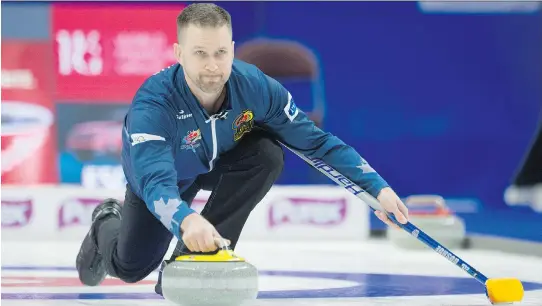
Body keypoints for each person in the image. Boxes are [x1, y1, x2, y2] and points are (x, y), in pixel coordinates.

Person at [75, 2, 410, 295]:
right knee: (130, 267)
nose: (212, 66)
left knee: (267, 154)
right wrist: (186, 220)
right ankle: (106, 218)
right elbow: (154, 180)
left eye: (221, 53)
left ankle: (191, 262)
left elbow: (316, 142)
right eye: (200, 53)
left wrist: (376, 189)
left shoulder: (257, 88)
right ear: (178, 54)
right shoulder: (153, 105)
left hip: (218, 160)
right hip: (165, 176)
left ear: (233, 49)